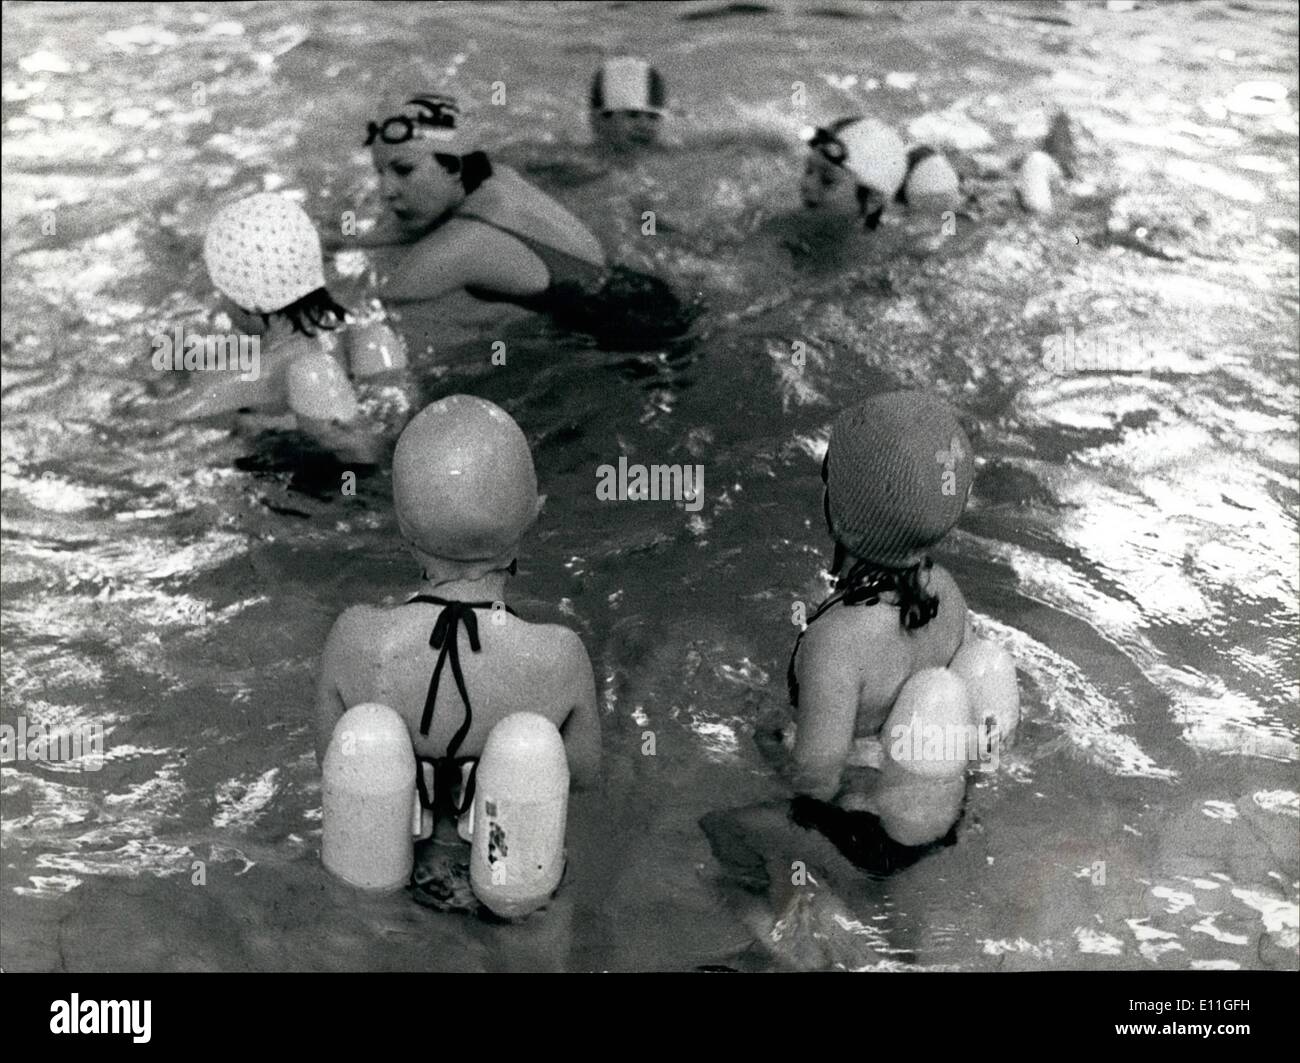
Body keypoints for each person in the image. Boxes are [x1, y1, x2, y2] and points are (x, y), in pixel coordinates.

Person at [314, 394, 602, 908]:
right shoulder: (558, 656)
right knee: (531, 751)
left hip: (377, 868)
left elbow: (329, 760)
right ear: (535, 514)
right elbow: (582, 774)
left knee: (368, 738)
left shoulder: (355, 638)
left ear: (401, 526)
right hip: (512, 871)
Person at [786, 391, 1019, 858]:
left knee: (726, 832)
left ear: (838, 508)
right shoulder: (945, 591)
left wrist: (771, 757)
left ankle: (806, 906)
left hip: (865, 835)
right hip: (943, 807)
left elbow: (817, 774)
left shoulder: (836, 642)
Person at [326, 93, 694, 351]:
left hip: (637, 338)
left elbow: (366, 311)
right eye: (380, 173)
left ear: (453, 168)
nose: (386, 190)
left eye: (403, 171)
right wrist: (348, 242)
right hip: (644, 290)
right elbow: (419, 224)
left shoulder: (463, 245)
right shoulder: (494, 179)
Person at [149, 192, 405, 464]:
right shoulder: (354, 337)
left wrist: (163, 381)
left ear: (251, 301)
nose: (220, 303)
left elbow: (155, 420)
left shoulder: (241, 376)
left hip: (308, 476)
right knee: (373, 343)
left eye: (223, 293)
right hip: (368, 457)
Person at [589, 56, 668, 154]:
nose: (644, 126)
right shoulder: (575, 164)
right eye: (633, 115)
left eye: (653, 117)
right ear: (599, 121)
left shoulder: (673, 159)